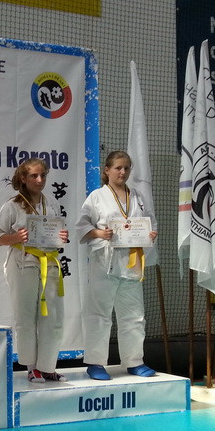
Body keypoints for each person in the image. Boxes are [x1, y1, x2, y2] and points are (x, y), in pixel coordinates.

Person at [75, 150, 157, 380]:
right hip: (105, 262)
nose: (123, 172)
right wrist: (98, 232)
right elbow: (81, 225)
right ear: (107, 170)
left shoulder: (138, 196)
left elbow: (150, 222)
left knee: (134, 315)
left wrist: (150, 234)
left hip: (131, 262)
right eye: (118, 168)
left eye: (126, 168)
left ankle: (134, 361)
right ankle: (95, 362)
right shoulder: (97, 197)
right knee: (99, 314)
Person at [0, 158, 69, 383]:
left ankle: (48, 366)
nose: (39, 179)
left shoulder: (52, 203)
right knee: (25, 316)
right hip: (22, 262)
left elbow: (56, 233)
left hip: (50, 262)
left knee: (53, 317)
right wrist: (16, 237)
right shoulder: (12, 206)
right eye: (34, 175)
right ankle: (31, 367)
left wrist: (62, 236)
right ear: (23, 178)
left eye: (43, 175)